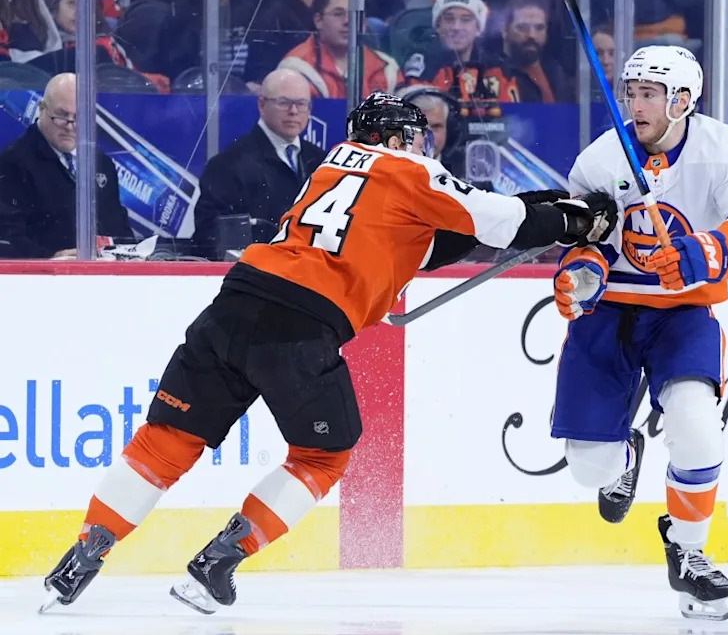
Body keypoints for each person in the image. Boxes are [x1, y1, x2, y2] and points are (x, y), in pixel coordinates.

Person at [40, 92, 616, 615]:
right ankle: (218, 561)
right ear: (396, 139)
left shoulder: (330, 164)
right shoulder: (407, 168)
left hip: (233, 305)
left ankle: (81, 556)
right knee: (323, 456)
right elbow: (500, 221)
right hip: (301, 325)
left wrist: (552, 210)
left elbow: (417, 246)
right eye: (413, 138)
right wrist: (576, 220)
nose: (420, 149)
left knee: (168, 437)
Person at [549, 46, 728, 621]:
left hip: (682, 315)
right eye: (631, 91)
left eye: (649, 93)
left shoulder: (723, 150)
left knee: (699, 431)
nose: (635, 103)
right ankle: (624, 458)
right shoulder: (602, 158)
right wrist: (583, 273)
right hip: (610, 318)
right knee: (589, 470)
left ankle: (689, 551)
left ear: (683, 100)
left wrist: (707, 251)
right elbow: (591, 237)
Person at [191, 68, 327, 259]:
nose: (294, 111)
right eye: (284, 102)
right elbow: (209, 236)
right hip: (255, 276)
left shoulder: (322, 161)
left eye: (301, 103)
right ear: (262, 105)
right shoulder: (228, 164)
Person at [0, 72, 132, 259]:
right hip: (44, 280)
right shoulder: (13, 162)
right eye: (61, 115)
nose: (70, 126)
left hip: (103, 277)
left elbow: (119, 226)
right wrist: (51, 258)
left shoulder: (101, 162)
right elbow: (8, 238)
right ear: (42, 109)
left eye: (78, 117)